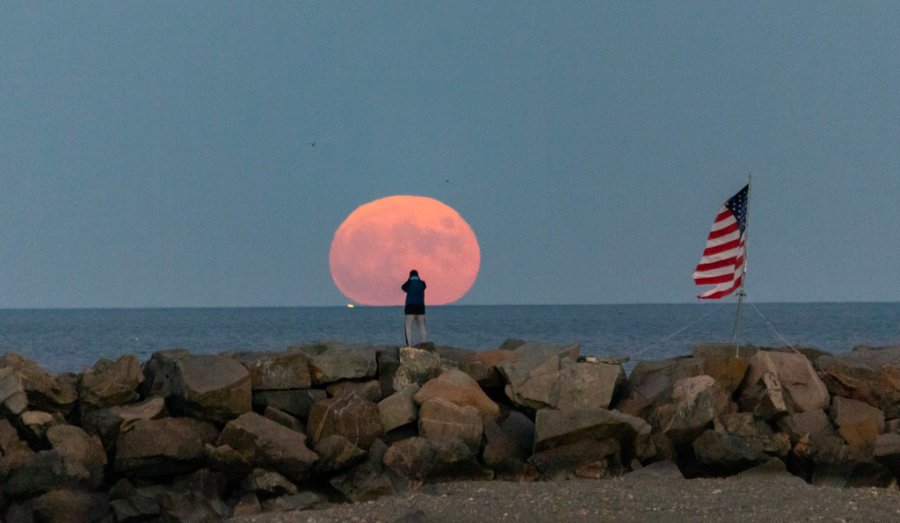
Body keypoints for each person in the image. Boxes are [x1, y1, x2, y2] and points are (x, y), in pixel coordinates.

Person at [401, 269, 427, 346]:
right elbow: (424, 287)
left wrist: (408, 280)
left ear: (410, 276)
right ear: (418, 275)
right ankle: (424, 344)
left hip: (410, 307)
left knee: (408, 326)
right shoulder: (422, 283)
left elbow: (403, 287)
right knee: (422, 326)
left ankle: (409, 345)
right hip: (421, 307)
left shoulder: (408, 283)